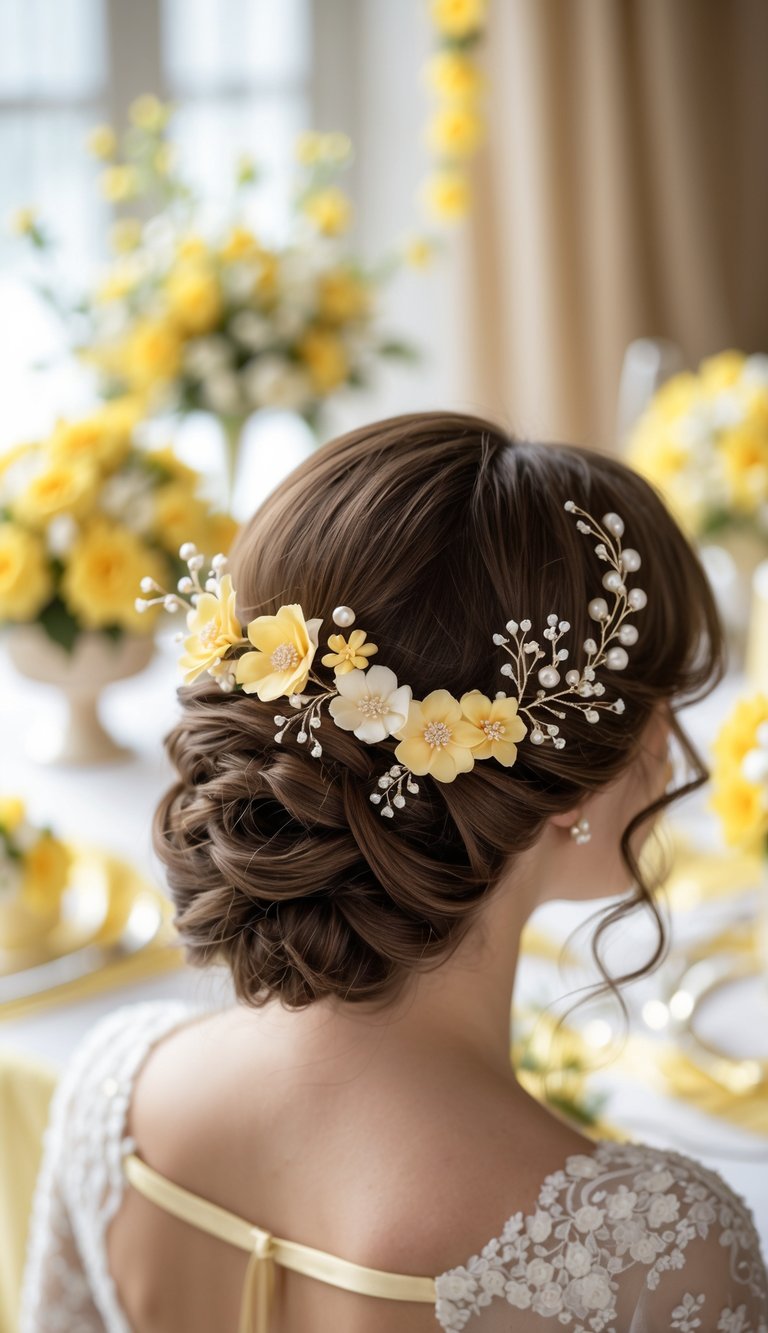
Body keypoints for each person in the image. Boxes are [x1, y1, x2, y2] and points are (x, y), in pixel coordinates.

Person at [20, 412, 768, 1332]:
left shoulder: (116, 1088)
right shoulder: (660, 1252)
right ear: (576, 777)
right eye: (660, 706)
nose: (669, 745)